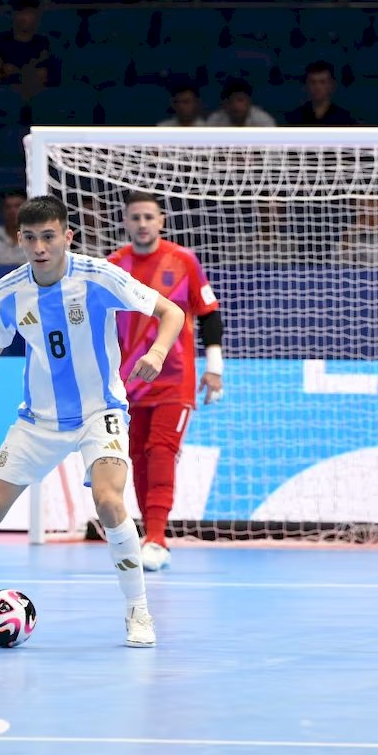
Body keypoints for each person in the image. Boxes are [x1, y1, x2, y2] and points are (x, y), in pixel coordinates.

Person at [0, 196, 184, 647]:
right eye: (30, 238)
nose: (40, 246)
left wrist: (157, 351)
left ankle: (138, 612)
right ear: (20, 240)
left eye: (49, 236)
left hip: (99, 413)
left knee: (110, 503)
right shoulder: (8, 292)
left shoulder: (98, 277)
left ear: (67, 236)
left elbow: (173, 312)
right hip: (38, 421)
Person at [106, 193, 222, 572]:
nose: (142, 223)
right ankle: (146, 535)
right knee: (137, 457)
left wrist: (214, 367)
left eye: (149, 217)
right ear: (125, 222)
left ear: (162, 221)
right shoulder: (113, 266)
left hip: (175, 381)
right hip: (128, 383)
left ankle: (157, 538)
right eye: (135, 217)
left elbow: (209, 315)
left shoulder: (184, 260)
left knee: (160, 451)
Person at [283, 61, 355, 126]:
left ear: (331, 85)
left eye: (322, 82)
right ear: (306, 85)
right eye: (313, 82)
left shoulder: (344, 119)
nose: (317, 87)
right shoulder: (295, 117)